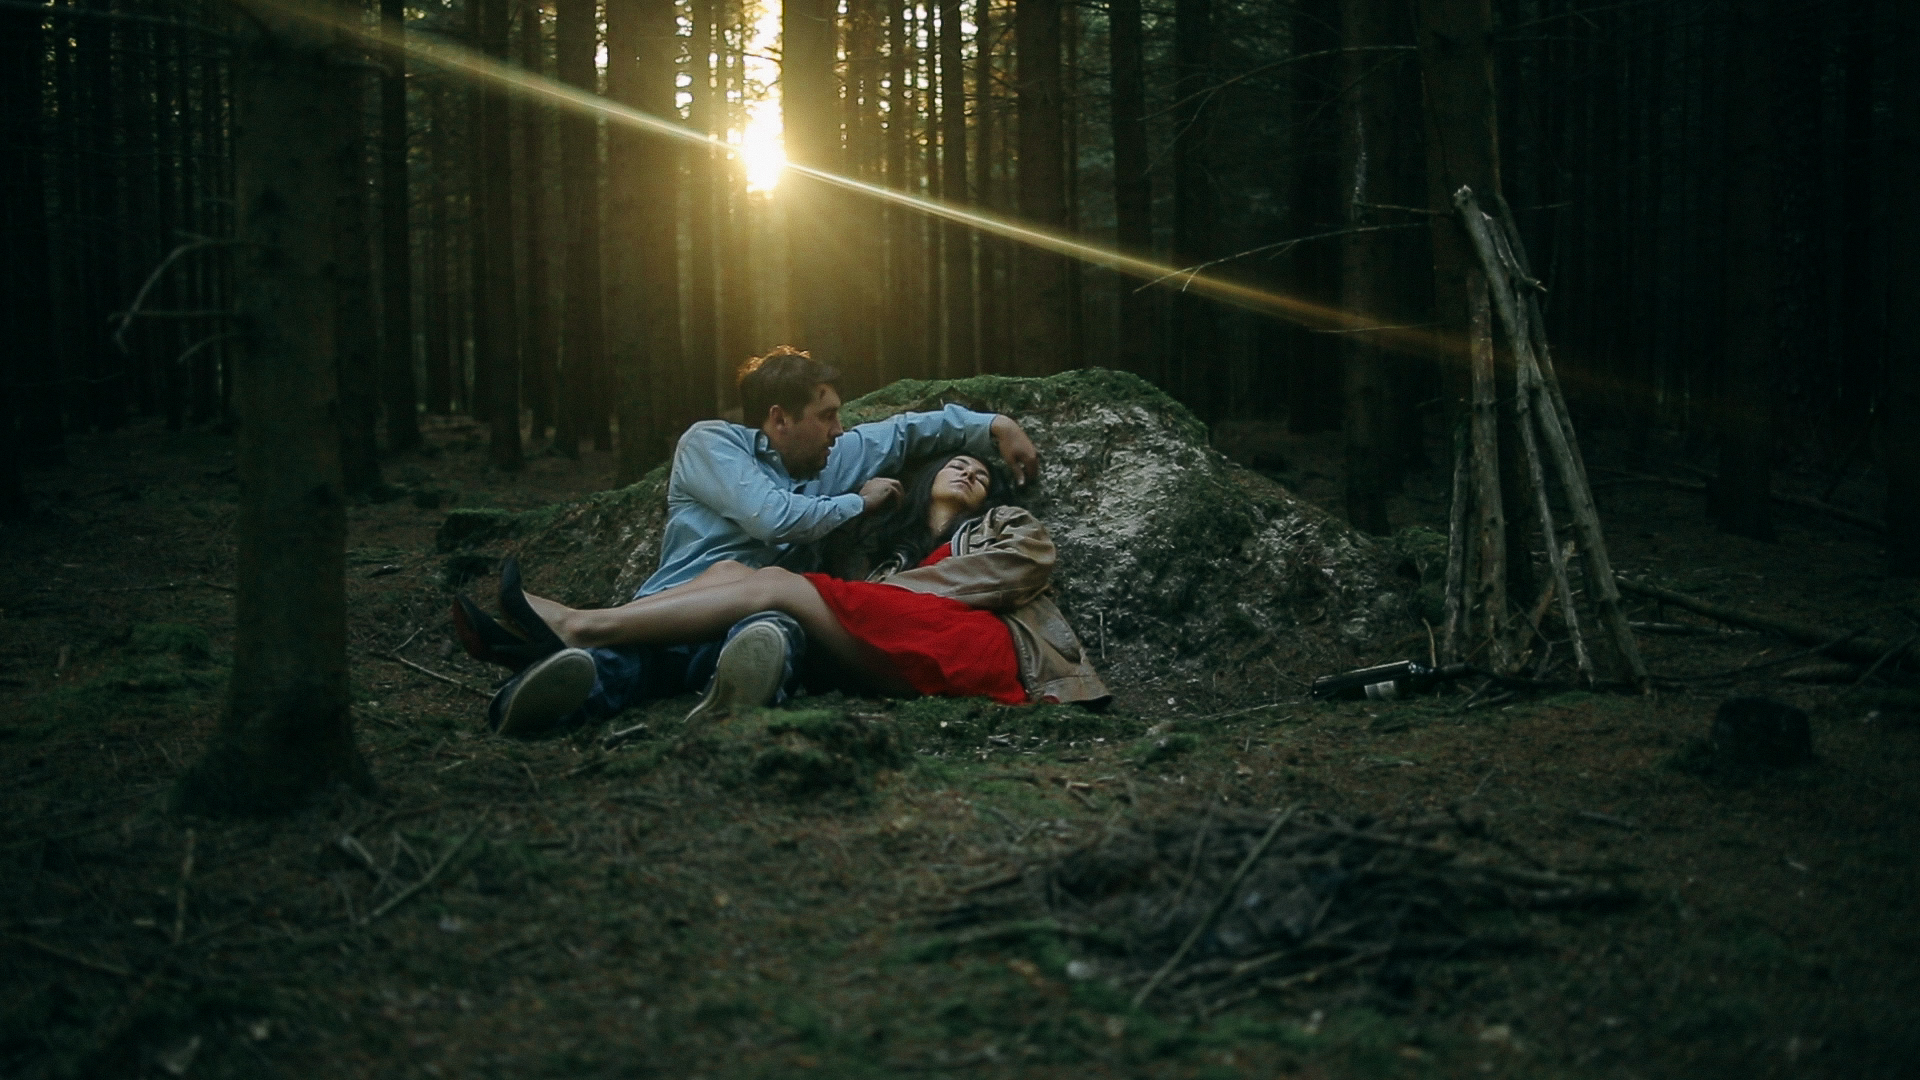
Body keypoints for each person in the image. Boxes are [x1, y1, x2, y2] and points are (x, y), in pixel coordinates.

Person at [454, 346, 1043, 737]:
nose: (842, 429)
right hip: (672, 611)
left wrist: (995, 426)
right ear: (780, 418)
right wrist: (855, 503)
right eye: (828, 415)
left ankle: (728, 708)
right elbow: (773, 518)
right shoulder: (711, 443)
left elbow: (912, 429)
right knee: (611, 666)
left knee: (770, 633)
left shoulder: (836, 456)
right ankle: (526, 706)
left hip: (751, 615)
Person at [490, 452, 1108, 725]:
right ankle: (590, 660)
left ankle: (582, 625)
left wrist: (896, 591)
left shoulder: (1003, 526)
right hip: (893, 647)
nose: (971, 472)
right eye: (958, 464)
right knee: (734, 577)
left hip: (984, 649)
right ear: (927, 479)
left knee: (779, 587)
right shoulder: (884, 547)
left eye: (981, 475)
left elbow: (1025, 567)